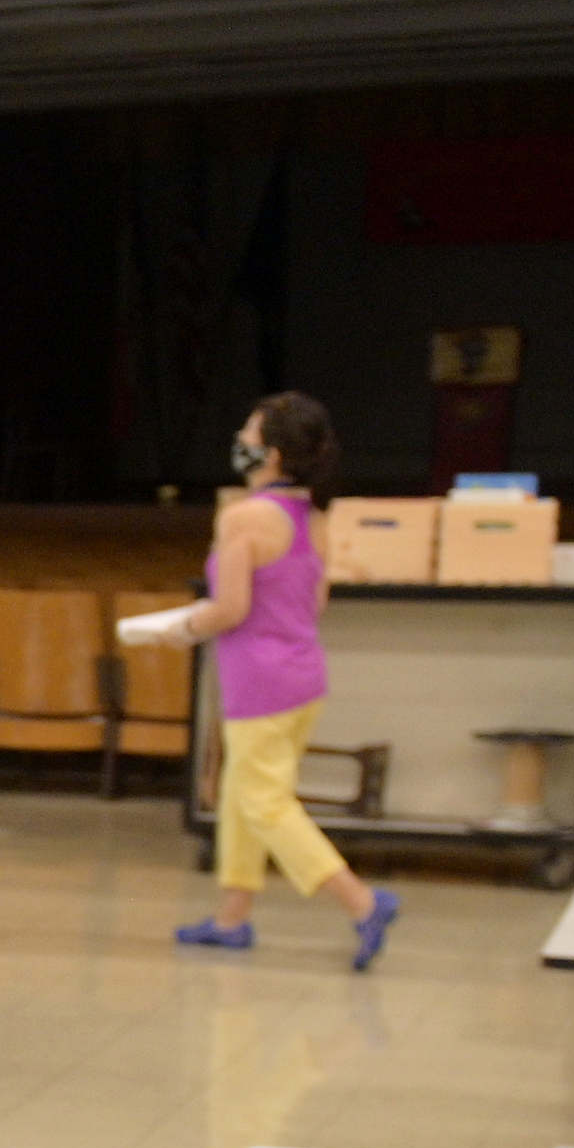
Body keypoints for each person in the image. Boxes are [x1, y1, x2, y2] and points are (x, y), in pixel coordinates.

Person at [141, 392, 399, 967]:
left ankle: (361, 902)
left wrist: (180, 628)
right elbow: (316, 599)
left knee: (264, 802)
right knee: (241, 795)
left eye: (249, 431)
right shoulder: (313, 516)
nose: (240, 438)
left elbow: (229, 608)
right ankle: (232, 917)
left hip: (258, 681)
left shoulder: (244, 517)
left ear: (273, 452)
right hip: (302, 674)